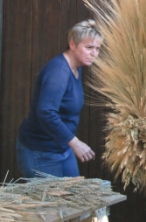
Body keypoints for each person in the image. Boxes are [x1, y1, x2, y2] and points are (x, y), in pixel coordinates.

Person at [16, 20, 102, 178]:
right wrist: (75, 143)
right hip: (41, 152)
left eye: (97, 48)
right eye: (89, 47)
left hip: (62, 148)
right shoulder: (59, 72)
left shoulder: (77, 66)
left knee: (75, 199)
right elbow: (46, 112)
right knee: (55, 203)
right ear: (72, 44)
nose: (94, 53)